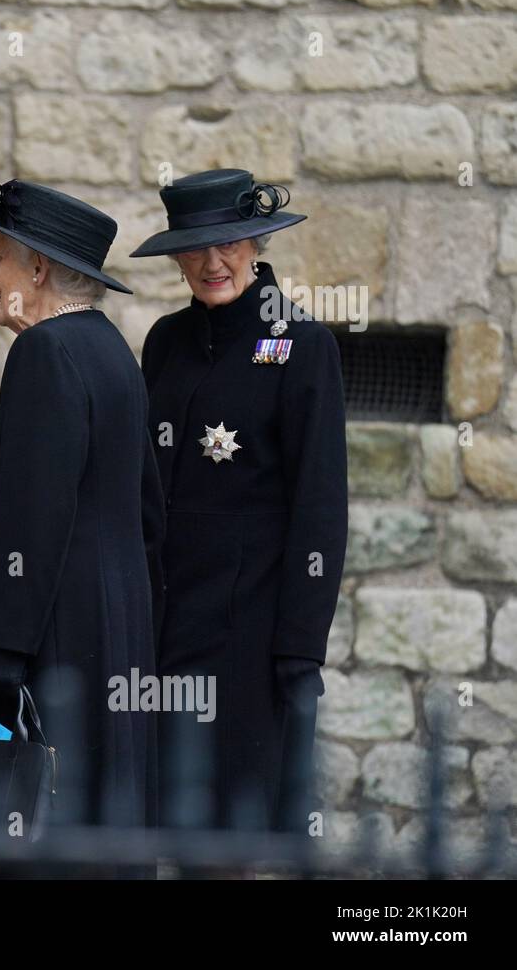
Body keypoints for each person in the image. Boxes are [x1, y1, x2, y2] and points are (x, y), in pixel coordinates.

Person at [0, 180, 164, 848]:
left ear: (34, 269)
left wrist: (3, 662)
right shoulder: (111, 351)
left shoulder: (46, 353)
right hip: (115, 628)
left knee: (37, 824)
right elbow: (148, 517)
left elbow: (31, 523)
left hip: (54, 635)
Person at [130, 168, 347, 834]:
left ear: (256, 245)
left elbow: (320, 504)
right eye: (195, 247)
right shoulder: (165, 342)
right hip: (161, 632)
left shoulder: (302, 345)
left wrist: (299, 652)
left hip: (248, 643)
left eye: (230, 244)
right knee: (157, 826)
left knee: (228, 841)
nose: (213, 261)